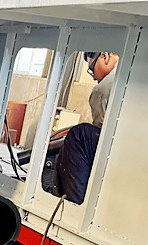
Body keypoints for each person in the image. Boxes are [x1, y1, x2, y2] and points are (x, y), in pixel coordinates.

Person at [56, 51, 119, 204]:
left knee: (80, 134)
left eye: (92, 69)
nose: (94, 77)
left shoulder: (104, 88)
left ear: (105, 56)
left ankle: (75, 204)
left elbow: (103, 137)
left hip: (118, 157)